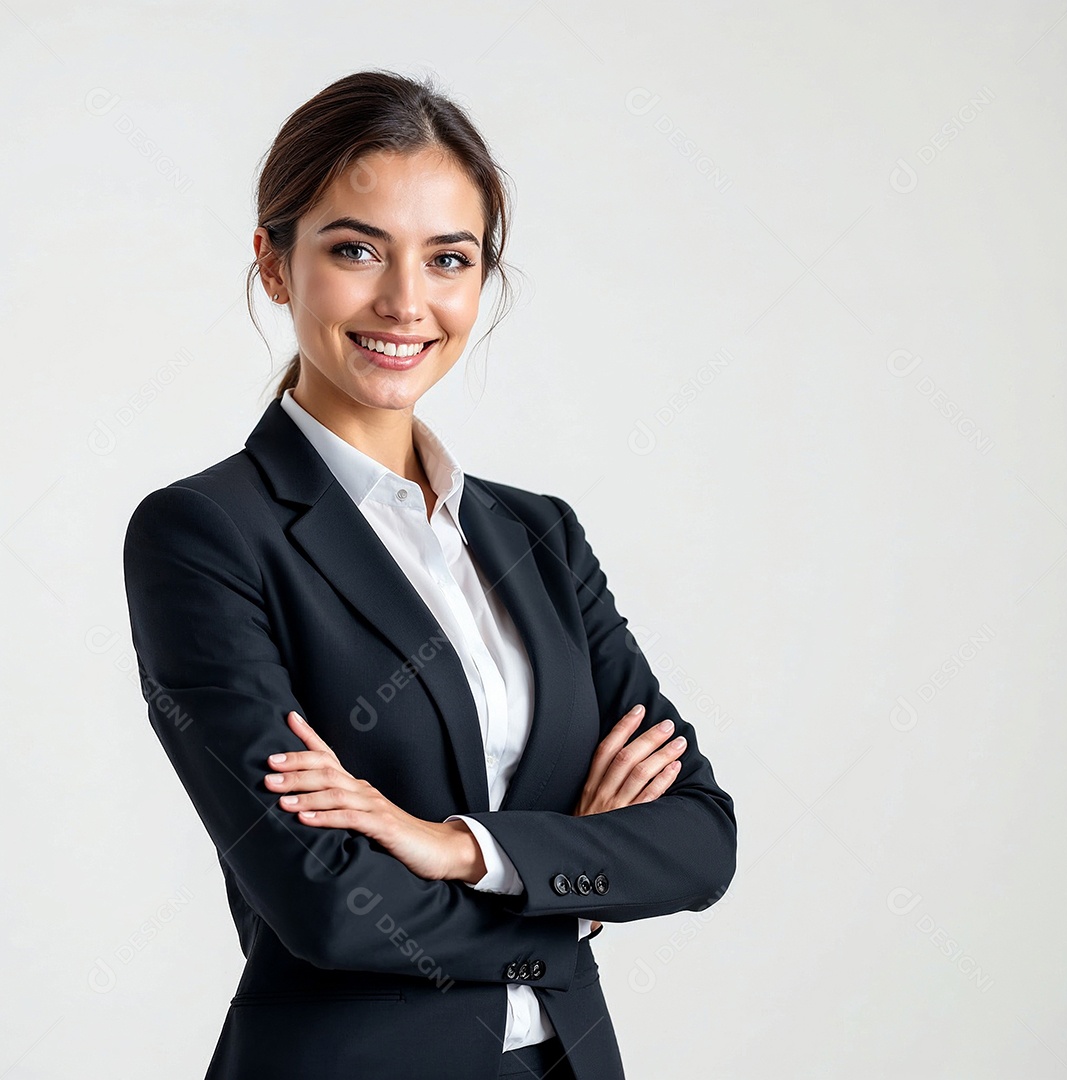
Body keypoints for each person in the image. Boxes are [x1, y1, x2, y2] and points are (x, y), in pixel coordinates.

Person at [123, 69, 737, 1080]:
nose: (406, 303)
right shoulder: (206, 534)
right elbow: (327, 899)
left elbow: (699, 839)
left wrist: (453, 845)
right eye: (357, 249)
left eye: (447, 259)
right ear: (274, 266)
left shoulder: (540, 537)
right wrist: (568, 889)